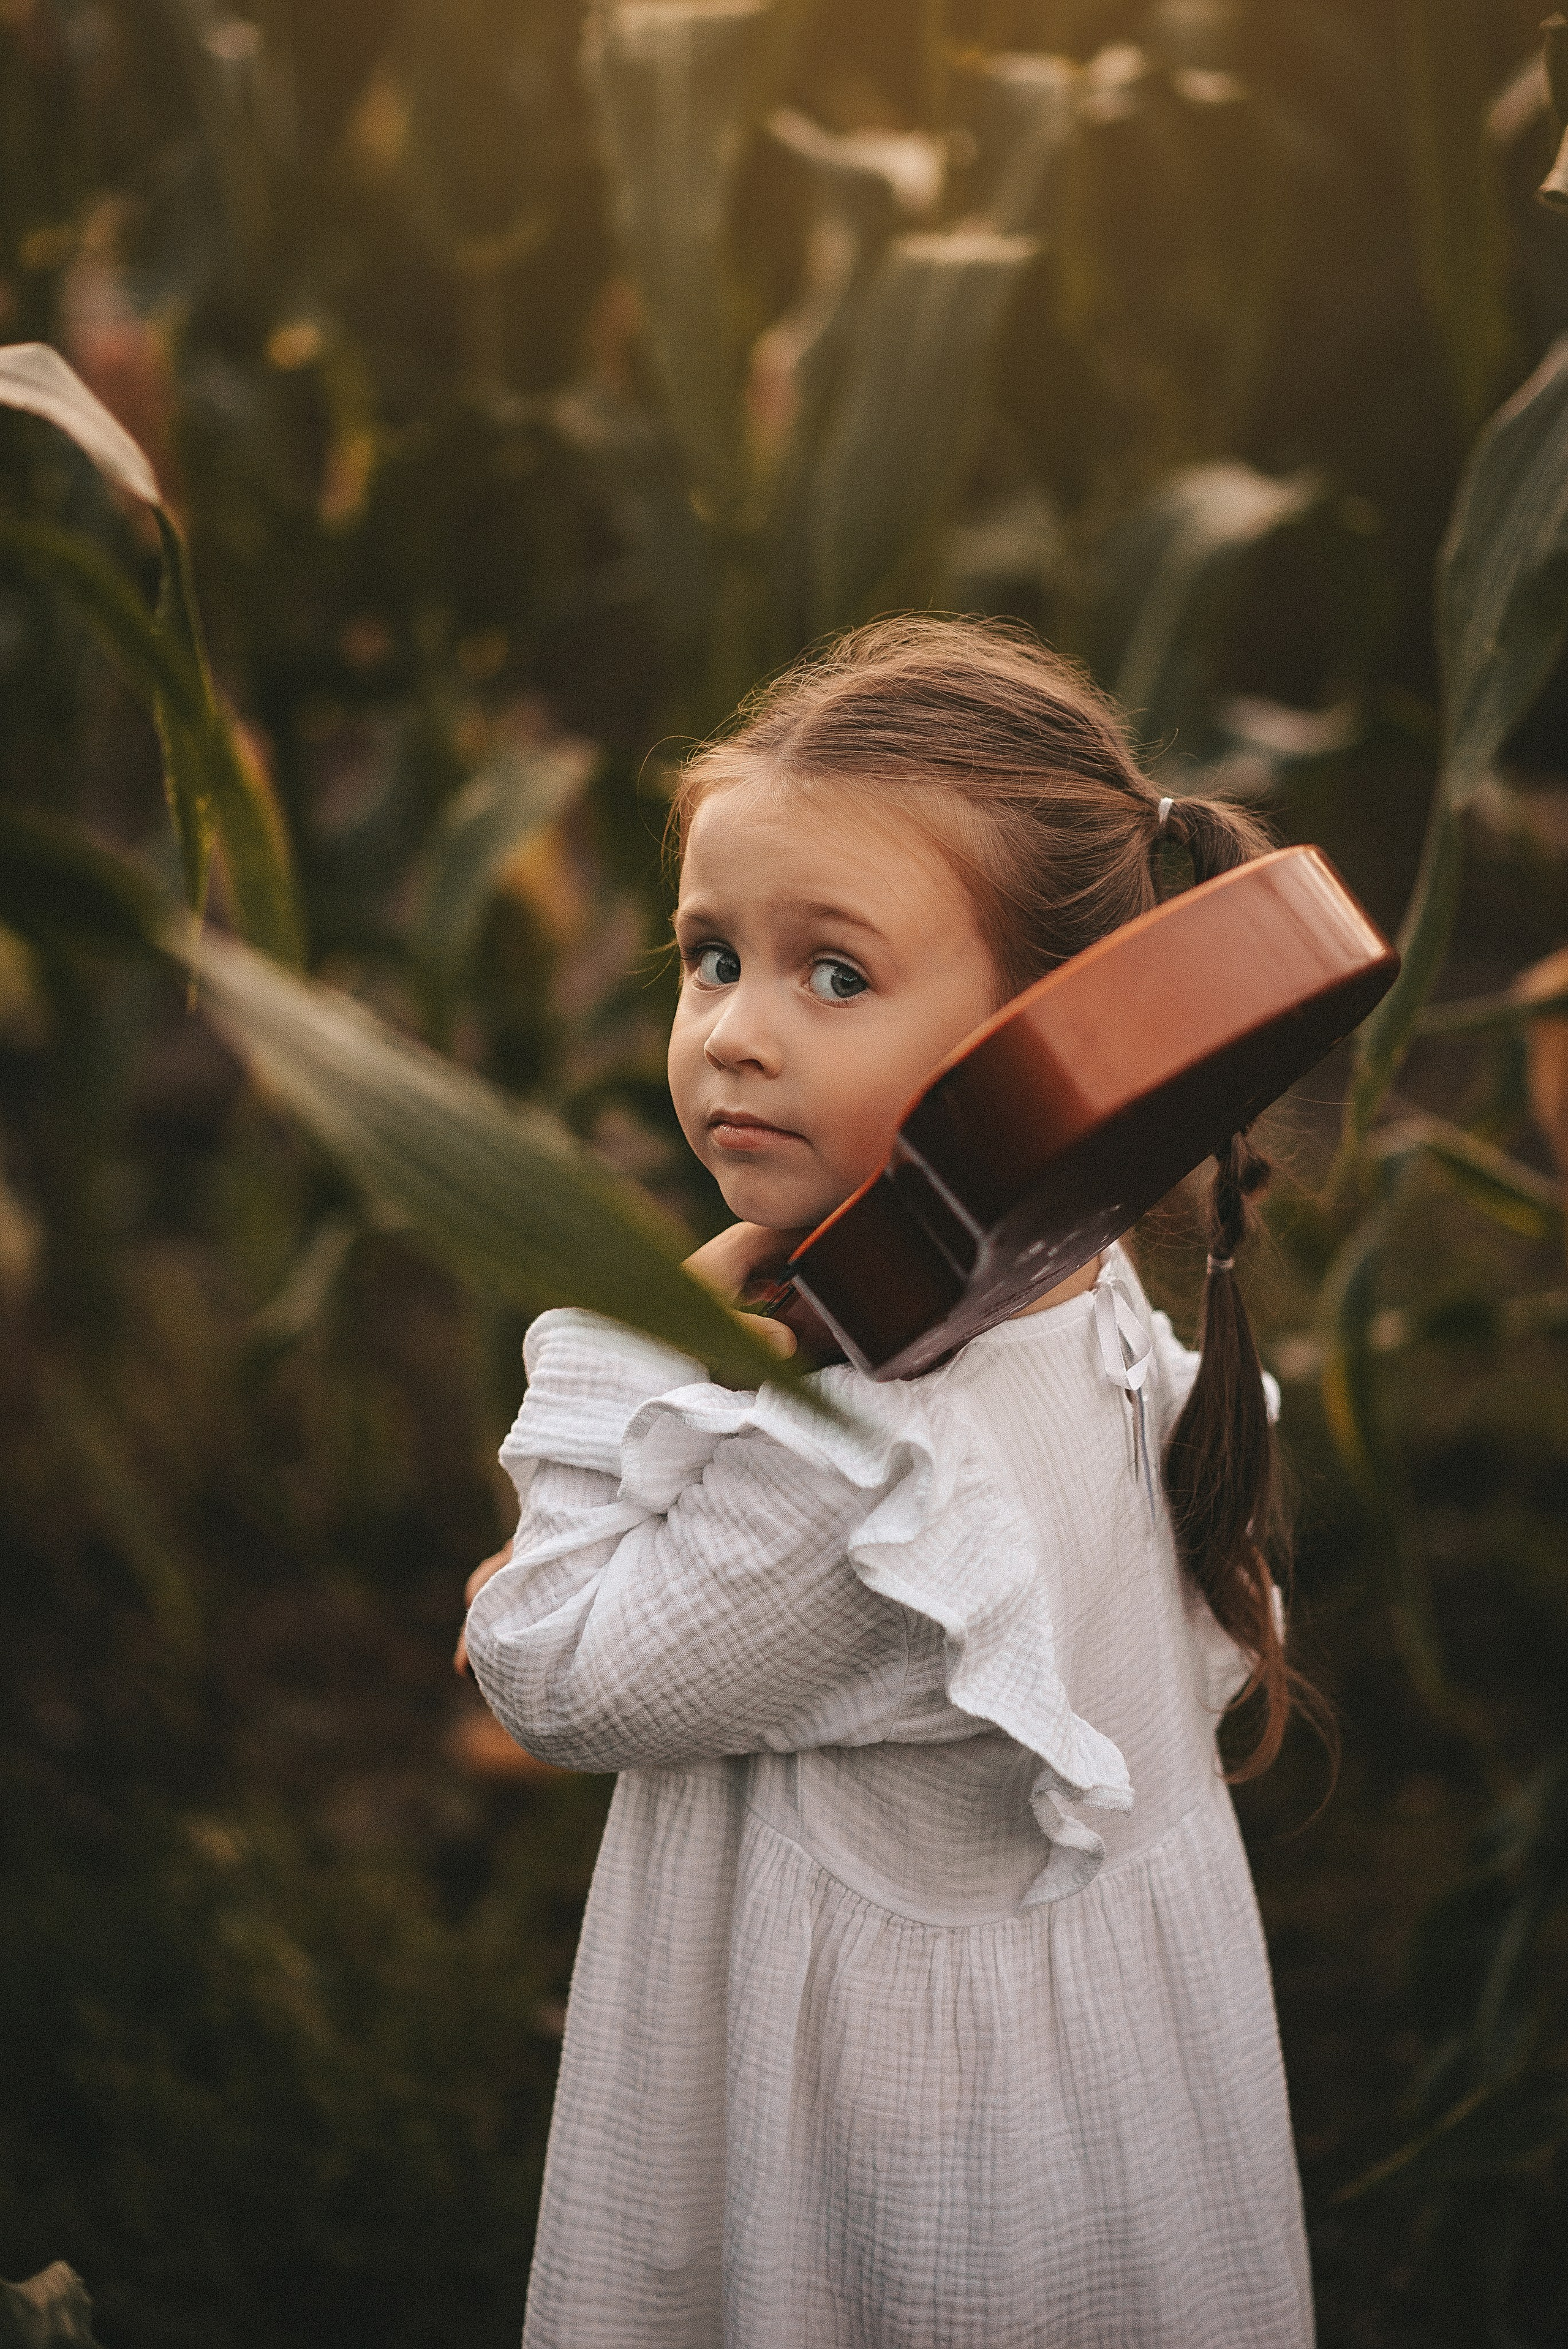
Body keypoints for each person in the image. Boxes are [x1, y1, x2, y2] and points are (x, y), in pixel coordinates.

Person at [461, 616, 1316, 2348]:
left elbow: (544, 1665)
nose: (736, 1034)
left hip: (884, 2177)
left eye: (832, 973)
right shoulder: (1088, 1300)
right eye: (711, 958)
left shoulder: (881, 1471)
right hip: (1104, 2124)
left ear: (1053, 1046)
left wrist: (636, 1333)